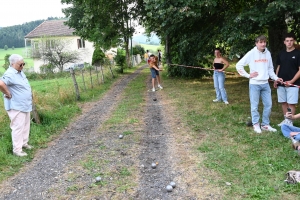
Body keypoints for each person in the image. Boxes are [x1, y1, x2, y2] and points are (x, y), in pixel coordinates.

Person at [236, 35, 283, 133]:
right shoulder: (251, 53)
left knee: (268, 105)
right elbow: (238, 65)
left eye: (265, 42)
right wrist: (248, 75)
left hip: (265, 84)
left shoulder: (268, 53)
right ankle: (256, 124)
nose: (263, 44)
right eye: (261, 42)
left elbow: (270, 69)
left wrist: (276, 78)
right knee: (254, 106)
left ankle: (265, 124)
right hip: (254, 84)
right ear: (256, 43)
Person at [0, 54, 33, 157]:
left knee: (25, 125)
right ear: (12, 64)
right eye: (20, 64)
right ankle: (17, 150)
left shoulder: (19, 72)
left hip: (24, 104)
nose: (22, 66)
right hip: (16, 105)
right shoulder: (10, 73)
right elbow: (1, 83)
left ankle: (24, 143)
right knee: (18, 127)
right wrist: (7, 93)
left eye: (23, 64)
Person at [275, 33, 300, 127]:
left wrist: (291, 81)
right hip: (281, 83)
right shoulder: (281, 53)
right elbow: (278, 67)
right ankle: (286, 120)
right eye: (287, 41)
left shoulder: (298, 53)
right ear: (284, 42)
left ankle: (290, 122)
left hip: (293, 84)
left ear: (294, 41)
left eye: (291, 40)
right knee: (283, 102)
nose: (289, 42)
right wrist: (276, 79)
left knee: (291, 103)